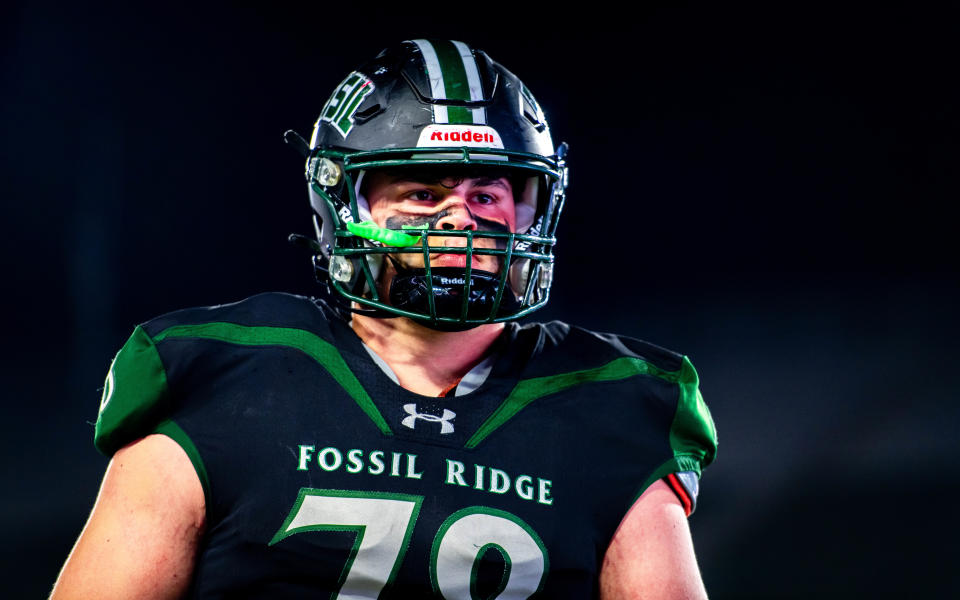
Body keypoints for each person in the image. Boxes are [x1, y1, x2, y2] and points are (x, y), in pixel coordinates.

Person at [51, 39, 717, 599]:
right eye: (424, 191)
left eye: (487, 191)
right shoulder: (217, 374)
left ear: (531, 209)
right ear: (342, 206)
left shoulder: (616, 401)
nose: (461, 218)